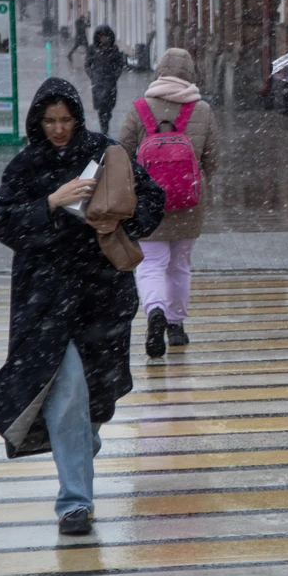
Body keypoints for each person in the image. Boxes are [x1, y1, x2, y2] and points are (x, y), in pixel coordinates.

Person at [0, 77, 164, 535]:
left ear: (78, 118)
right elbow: (5, 224)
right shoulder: (25, 166)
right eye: (50, 120)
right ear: (38, 121)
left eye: (66, 119)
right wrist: (52, 202)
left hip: (103, 300)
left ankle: (79, 447)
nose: (59, 129)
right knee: (67, 392)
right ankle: (74, 502)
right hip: (46, 303)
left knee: (92, 405)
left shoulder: (107, 151)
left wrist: (120, 212)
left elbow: (153, 200)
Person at [118, 48, 219, 357]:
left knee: (150, 265)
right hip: (189, 201)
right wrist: (197, 182)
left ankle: (155, 312)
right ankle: (175, 326)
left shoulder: (139, 109)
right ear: (191, 74)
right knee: (180, 266)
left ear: (159, 72)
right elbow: (212, 159)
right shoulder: (202, 110)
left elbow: (121, 154)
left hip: (148, 203)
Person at [85, 24, 125, 134]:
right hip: (97, 83)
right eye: (101, 36)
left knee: (109, 106)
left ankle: (106, 121)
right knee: (101, 106)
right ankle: (104, 127)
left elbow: (120, 64)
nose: (103, 39)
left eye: (105, 36)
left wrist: (115, 75)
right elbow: (87, 64)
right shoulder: (92, 49)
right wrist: (93, 75)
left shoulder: (113, 49)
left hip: (110, 82)